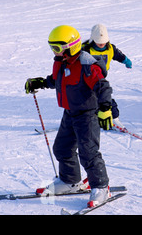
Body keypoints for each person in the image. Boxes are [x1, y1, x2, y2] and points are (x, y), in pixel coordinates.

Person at [24, 25, 112, 208]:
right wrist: (41, 82)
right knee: (62, 148)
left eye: (58, 48)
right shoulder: (62, 62)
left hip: (87, 115)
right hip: (70, 113)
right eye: (52, 48)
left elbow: (102, 86)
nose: (55, 52)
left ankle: (101, 186)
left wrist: (105, 108)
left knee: (88, 153)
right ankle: (69, 181)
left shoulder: (87, 64)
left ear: (71, 46)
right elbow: (57, 80)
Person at [82, 24, 132, 127]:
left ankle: (115, 119)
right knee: (91, 98)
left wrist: (126, 61)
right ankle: (88, 118)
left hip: (100, 78)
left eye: (103, 42)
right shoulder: (86, 50)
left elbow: (119, 56)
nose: (101, 44)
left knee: (103, 96)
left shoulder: (110, 48)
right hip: (86, 77)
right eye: (99, 42)